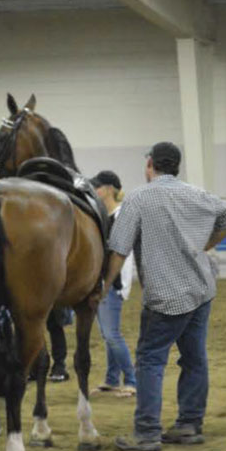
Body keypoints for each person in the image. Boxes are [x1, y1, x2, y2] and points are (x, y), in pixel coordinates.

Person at [108, 142, 226, 451]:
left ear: (151, 164)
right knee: (194, 358)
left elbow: (118, 250)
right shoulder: (194, 193)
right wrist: (206, 244)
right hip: (201, 288)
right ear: (177, 165)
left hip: (166, 295)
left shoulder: (139, 198)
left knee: (151, 360)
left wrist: (103, 287)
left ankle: (147, 432)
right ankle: (189, 424)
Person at [89, 169, 136, 397]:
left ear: (109, 189)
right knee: (107, 334)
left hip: (113, 283)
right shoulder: (104, 218)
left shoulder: (120, 216)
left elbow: (122, 254)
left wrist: (115, 284)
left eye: (97, 187)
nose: (94, 191)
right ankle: (111, 378)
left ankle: (131, 380)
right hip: (102, 282)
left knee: (112, 334)